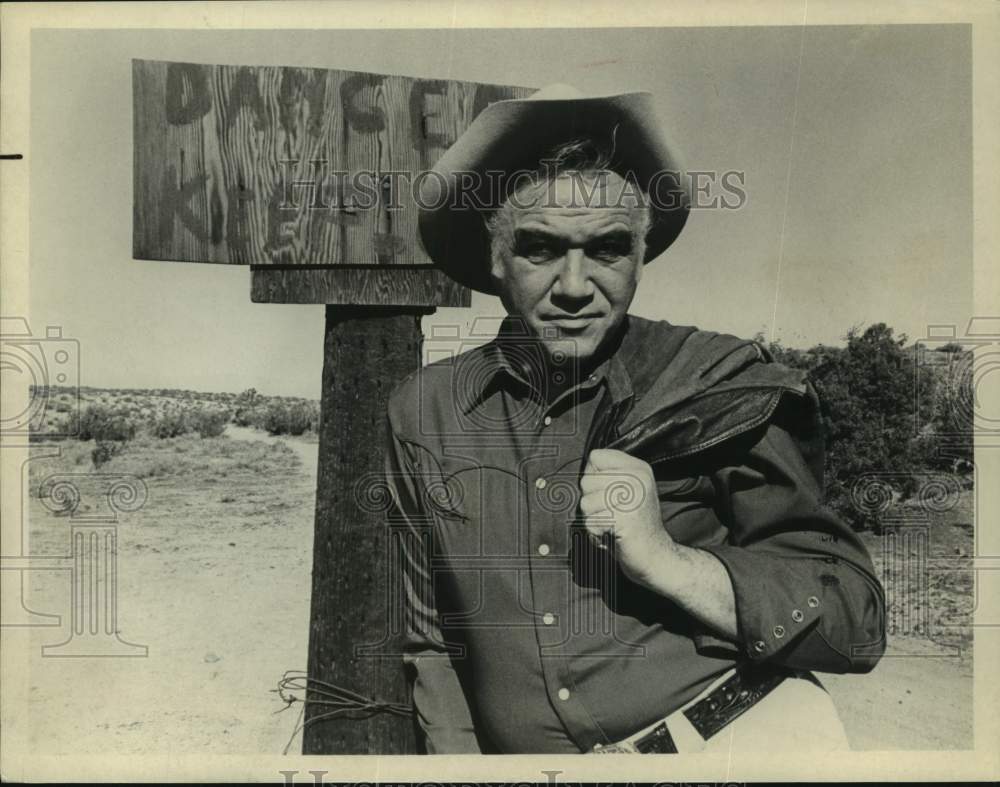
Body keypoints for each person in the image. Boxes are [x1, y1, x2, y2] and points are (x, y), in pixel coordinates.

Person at [384, 84, 886, 754]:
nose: (573, 285)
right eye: (539, 248)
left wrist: (667, 559)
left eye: (608, 249)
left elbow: (854, 616)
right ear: (494, 256)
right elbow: (432, 642)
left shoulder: (714, 378)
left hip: (745, 741)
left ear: (641, 255)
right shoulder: (425, 409)